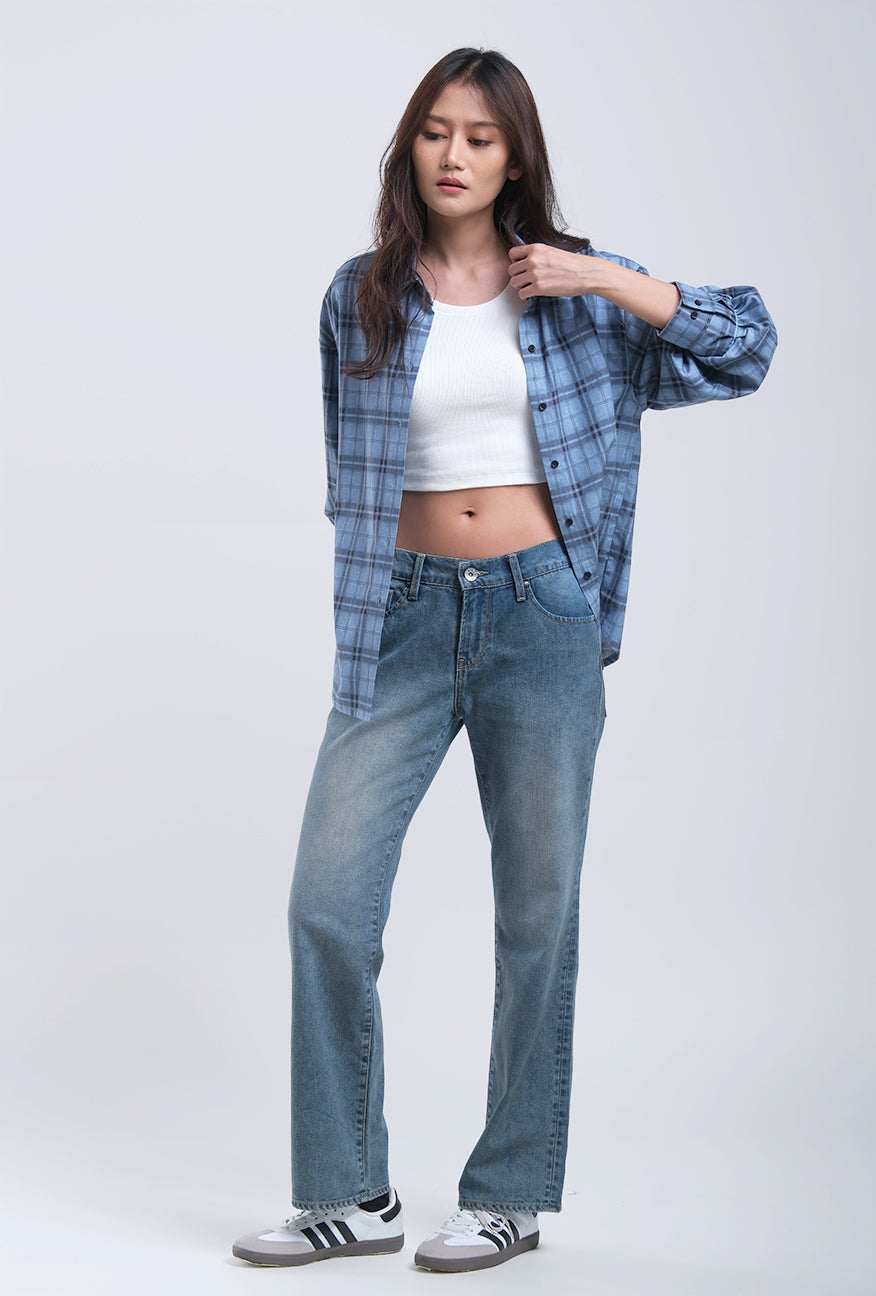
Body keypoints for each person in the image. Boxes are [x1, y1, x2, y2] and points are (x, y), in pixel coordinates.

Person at [232, 46, 777, 1274]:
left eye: (481, 136)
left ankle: (509, 1196)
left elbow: (746, 347)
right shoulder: (361, 293)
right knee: (327, 901)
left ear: (516, 156)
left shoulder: (577, 292)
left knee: (538, 908)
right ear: (410, 146)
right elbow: (349, 469)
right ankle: (350, 1194)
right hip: (404, 615)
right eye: (436, 131)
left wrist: (606, 276)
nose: (455, 154)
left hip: (542, 615)